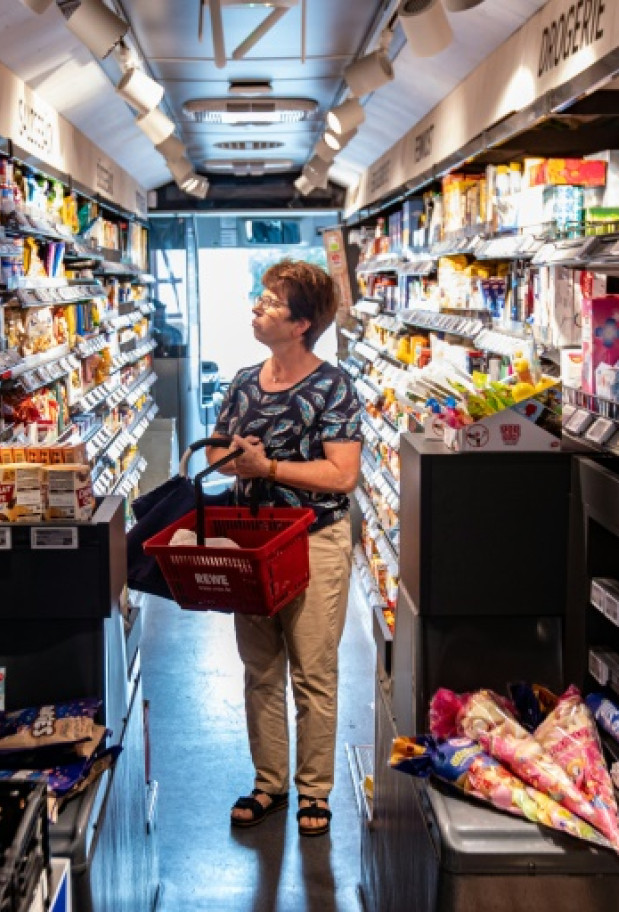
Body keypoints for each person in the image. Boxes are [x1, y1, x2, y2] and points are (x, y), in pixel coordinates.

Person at [207, 259, 363, 838]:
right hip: (253, 542)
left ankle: (314, 792)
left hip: (313, 540)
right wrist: (231, 458)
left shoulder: (332, 387)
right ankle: (269, 782)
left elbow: (343, 475)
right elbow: (216, 454)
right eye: (259, 297)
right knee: (260, 668)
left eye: (270, 302)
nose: (256, 307)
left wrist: (268, 464)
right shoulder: (246, 381)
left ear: (301, 324)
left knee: (313, 671)